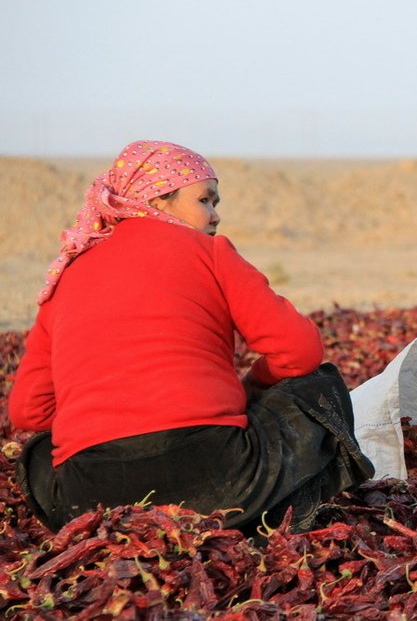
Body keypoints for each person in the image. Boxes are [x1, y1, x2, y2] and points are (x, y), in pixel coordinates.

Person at [9, 140, 374, 534]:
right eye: (206, 200)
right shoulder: (209, 252)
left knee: (40, 452)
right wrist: (251, 386)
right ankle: (280, 519)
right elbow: (301, 351)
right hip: (216, 477)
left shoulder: (66, 275)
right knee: (316, 384)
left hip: (89, 496)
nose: (215, 216)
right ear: (159, 199)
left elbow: (28, 412)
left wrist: (105, 415)